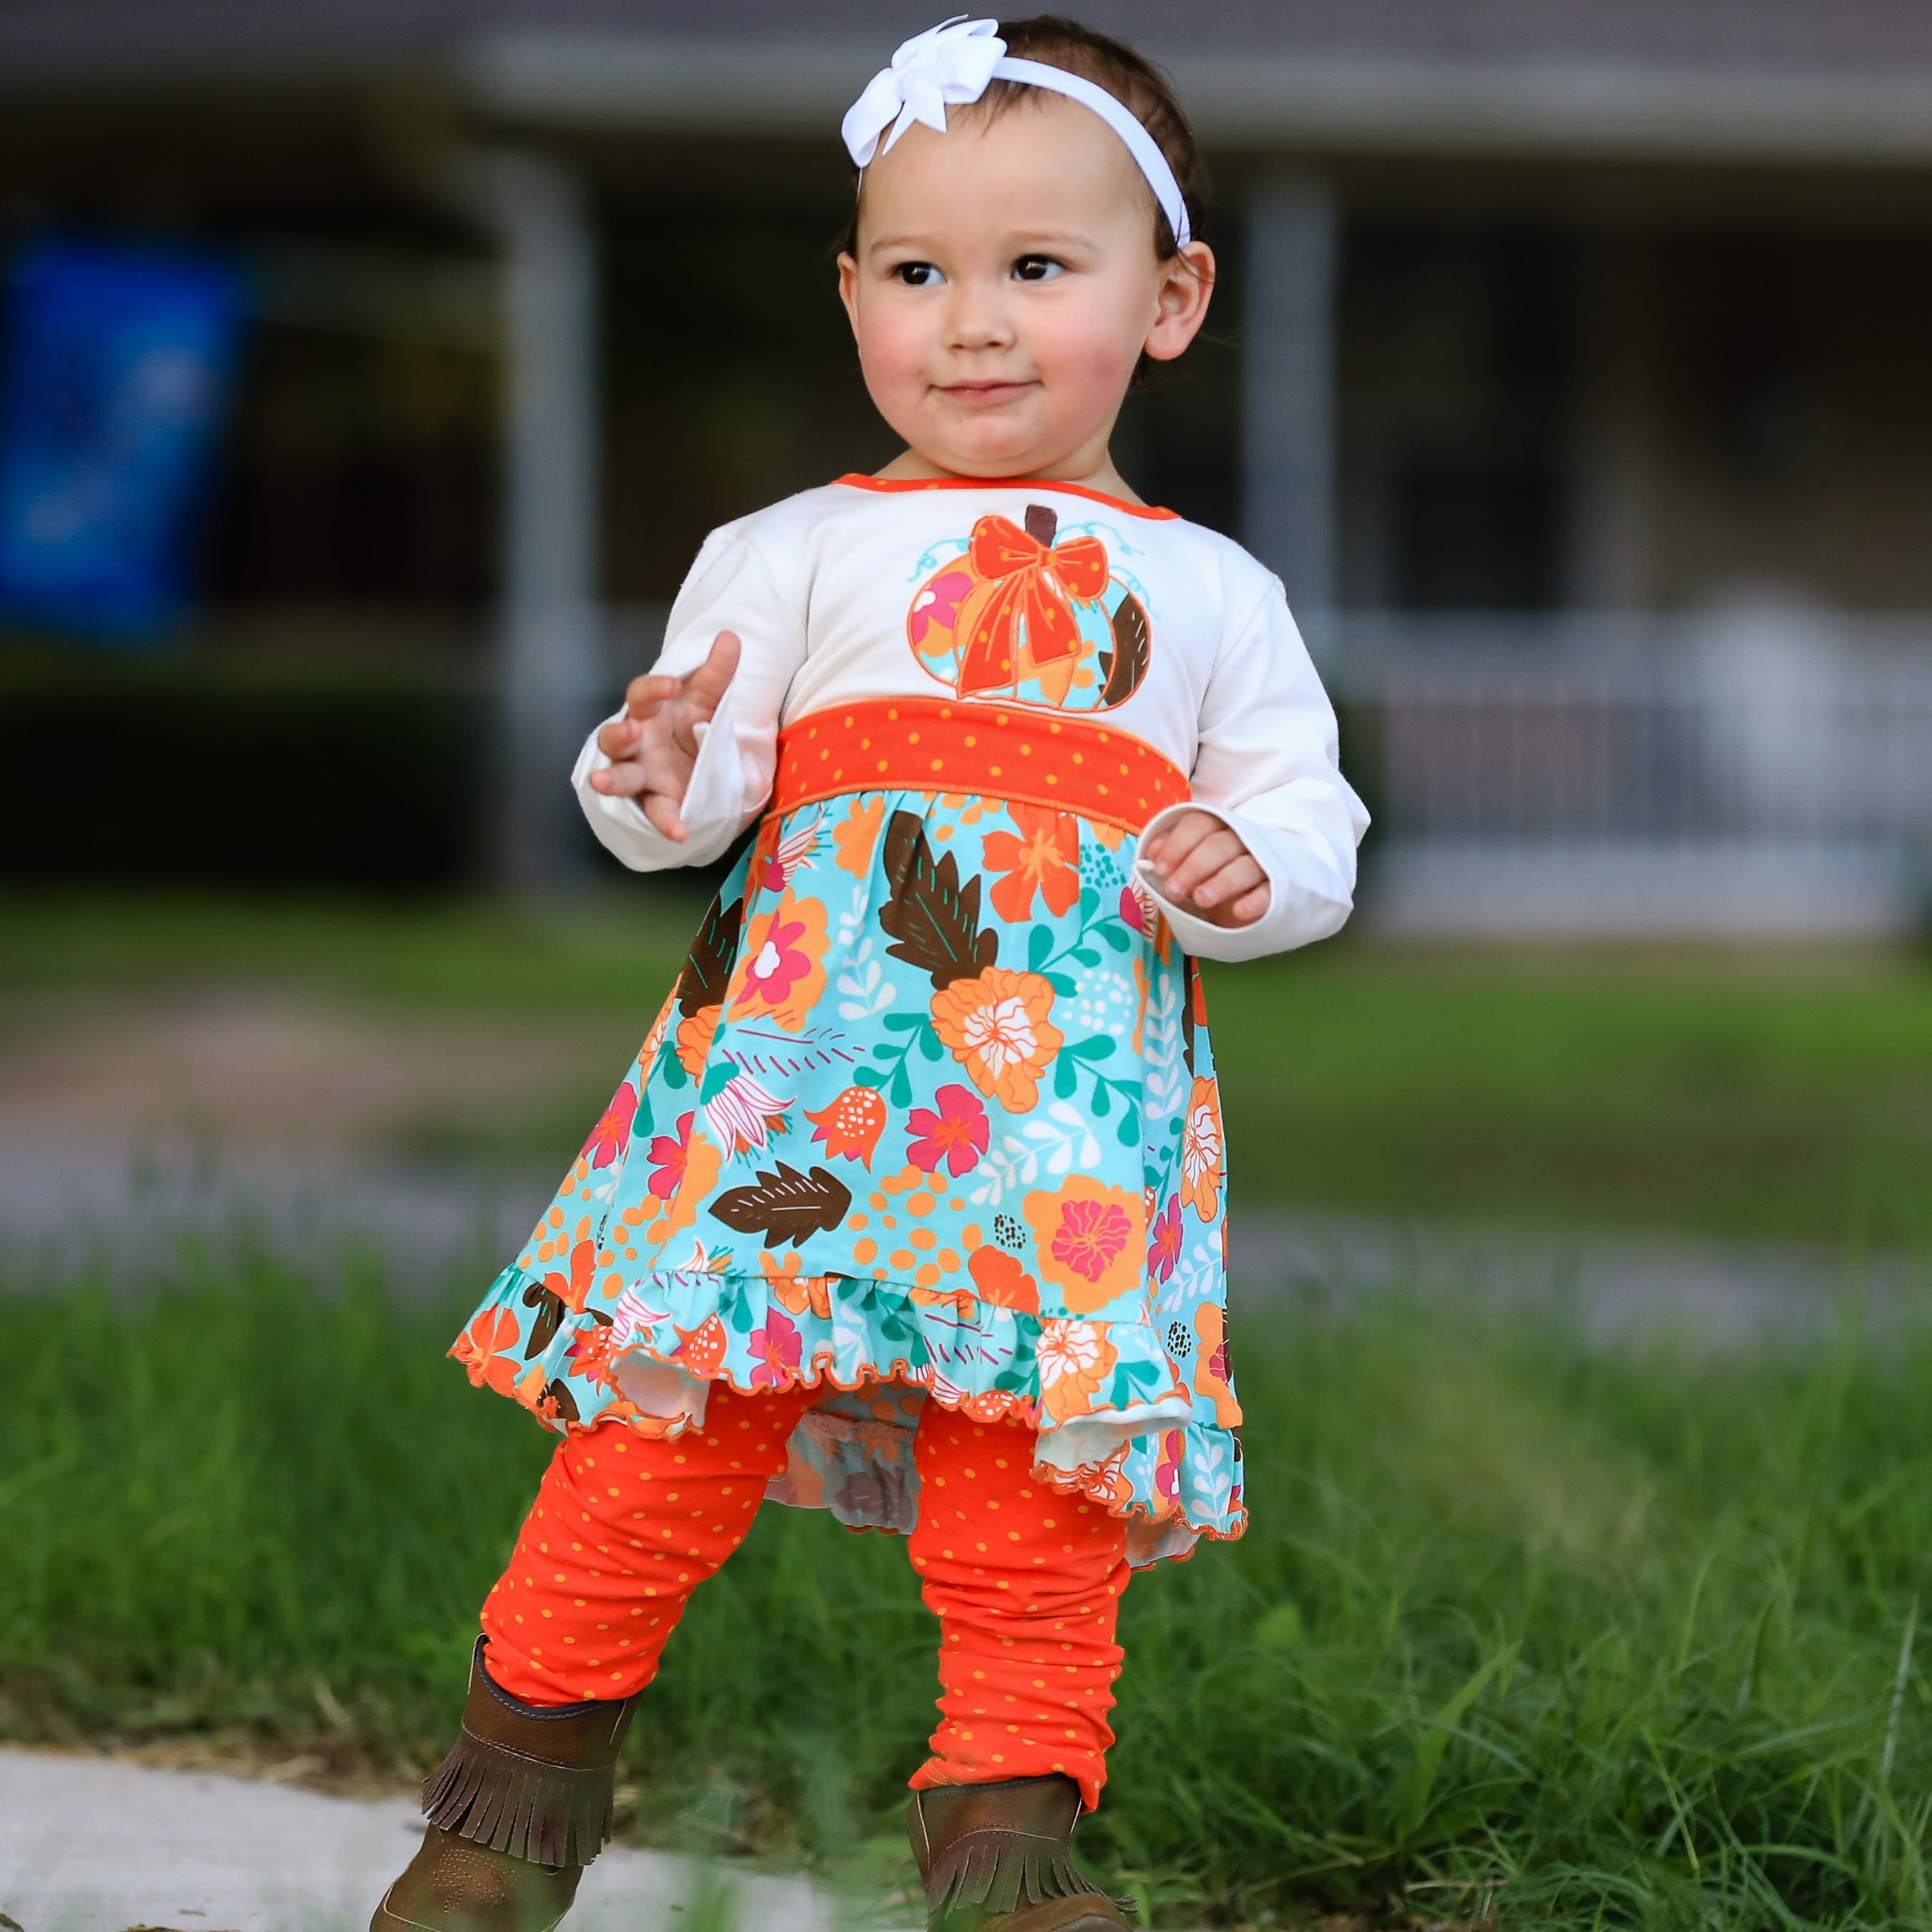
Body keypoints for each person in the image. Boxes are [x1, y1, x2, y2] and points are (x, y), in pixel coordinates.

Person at [371, 16, 1367, 1932]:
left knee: (1034, 1502)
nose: (970, 321)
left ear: (1170, 301)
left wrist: (1252, 866)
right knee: (655, 1449)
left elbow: (1306, 813)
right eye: (917, 272)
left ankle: (1006, 1861)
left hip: (1059, 1131)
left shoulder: (1217, 595)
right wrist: (645, 768)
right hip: (791, 1106)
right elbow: (697, 779)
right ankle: (499, 1818)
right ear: (851, 297)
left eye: (1035, 269)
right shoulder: (792, 547)